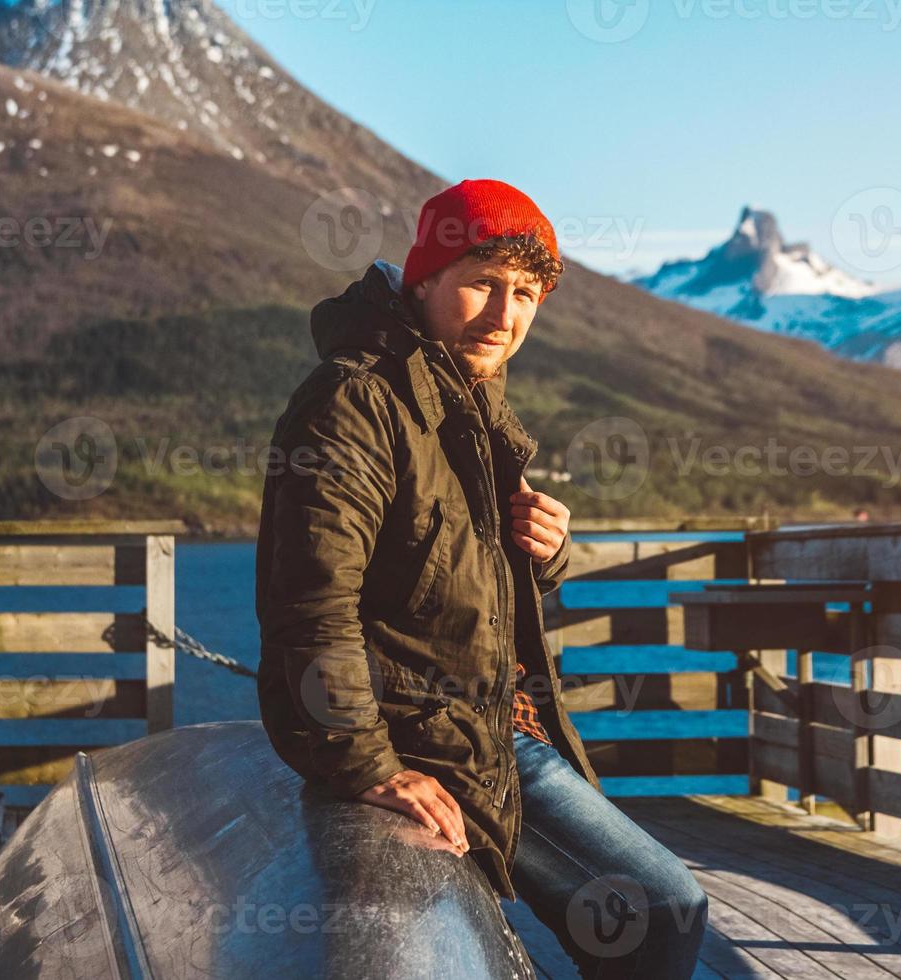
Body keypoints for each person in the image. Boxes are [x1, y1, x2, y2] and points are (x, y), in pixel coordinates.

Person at [256, 179, 707, 977]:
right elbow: (311, 607)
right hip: (415, 743)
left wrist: (546, 551)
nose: (506, 315)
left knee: (664, 909)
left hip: (500, 733)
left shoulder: (470, 402)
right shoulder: (354, 402)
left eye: (527, 293)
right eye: (483, 284)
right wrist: (371, 767)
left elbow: (451, 583)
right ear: (424, 280)